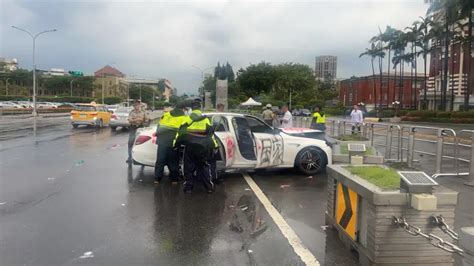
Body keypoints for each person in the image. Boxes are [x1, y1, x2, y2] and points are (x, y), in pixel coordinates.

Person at [174, 101, 218, 194]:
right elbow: (211, 135)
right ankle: (209, 188)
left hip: (190, 146)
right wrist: (215, 146)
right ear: (200, 108)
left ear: (192, 109)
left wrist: (176, 144)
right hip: (203, 147)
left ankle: (188, 188)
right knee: (204, 167)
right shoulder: (206, 119)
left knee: (188, 168)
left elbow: (180, 133)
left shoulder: (187, 118)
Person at [154, 103, 186, 185]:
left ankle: (157, 179)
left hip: (162, 141)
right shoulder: (183, 118)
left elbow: (159, 126)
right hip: (173, 142)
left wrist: (158, 134)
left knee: (160, 160)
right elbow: (183, 132)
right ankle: (174, 180)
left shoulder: (166, 115)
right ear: (182, 109)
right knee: (173, 161)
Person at [127, 100, 148, 164]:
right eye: (135, 105)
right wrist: (138, 119)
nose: (137, 106)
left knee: (141, 143)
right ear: (134, 106)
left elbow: (146, 119)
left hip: (141, 128)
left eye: (138, 105)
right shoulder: (131, 112)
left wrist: (136, 119)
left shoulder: (143, 112)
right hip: (133, 128)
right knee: (130, 143)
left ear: (139, 105)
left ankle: (141, 158)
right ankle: (130, 157)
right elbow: (130, 120)